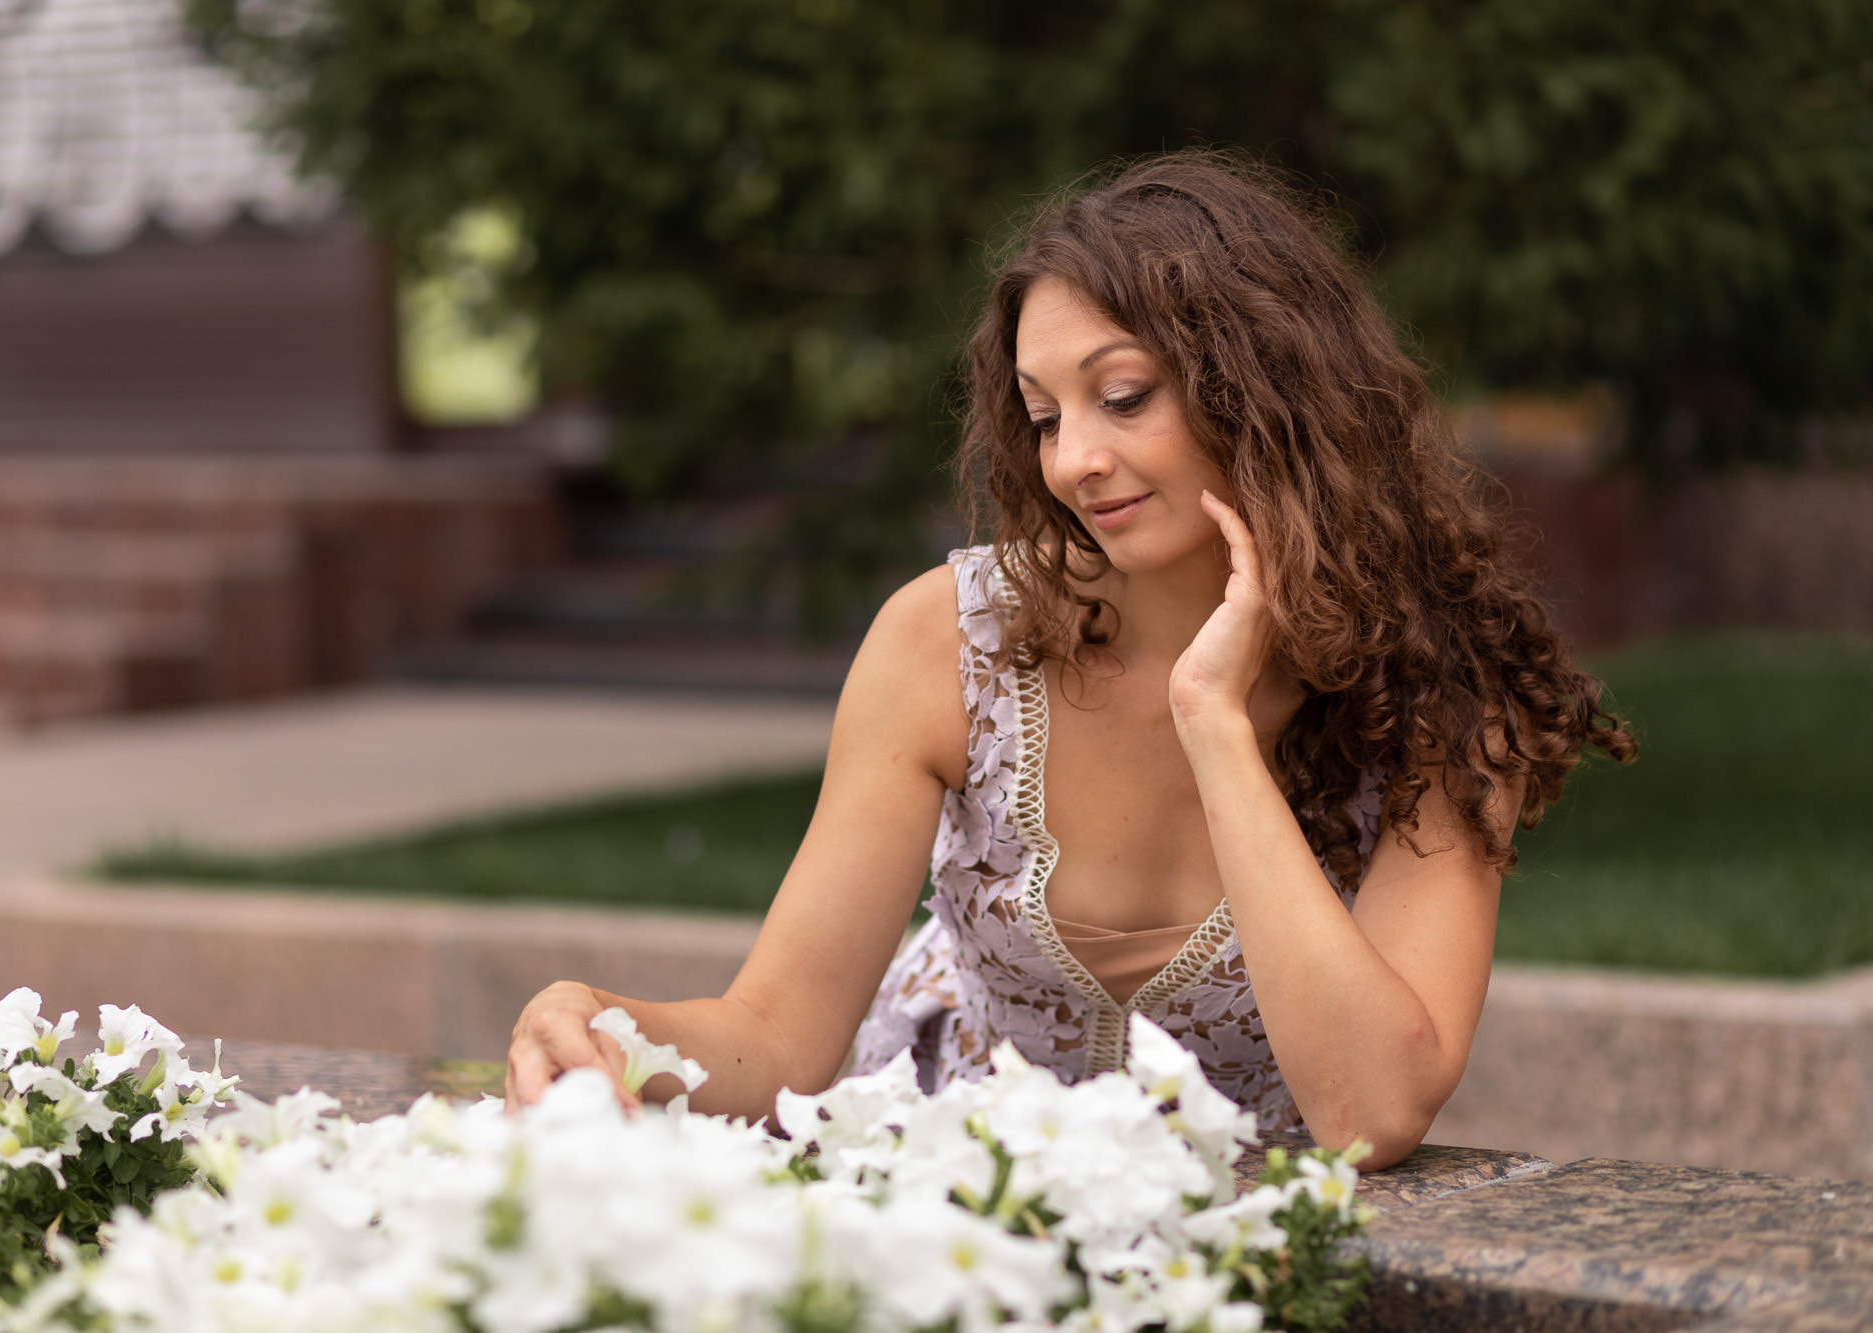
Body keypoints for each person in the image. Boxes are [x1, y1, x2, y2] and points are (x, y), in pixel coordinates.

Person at [503, 151, 1634, 1169]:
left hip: (1232, 1261)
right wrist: (610, 1030)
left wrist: (1214, 721)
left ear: (1266, 390)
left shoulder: (1444, 692)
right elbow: (778, 1042)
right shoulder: (950, 638)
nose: (1073, 462)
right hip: (942, 1220)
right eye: (1044, 417)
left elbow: (1372, 1113)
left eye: (1122, 396)